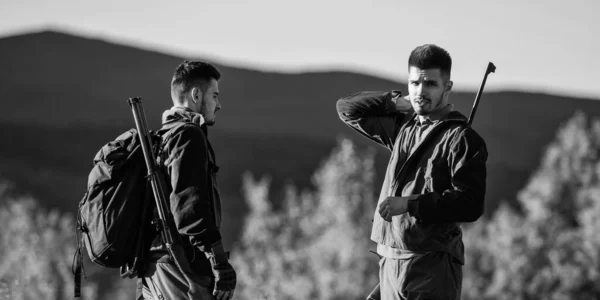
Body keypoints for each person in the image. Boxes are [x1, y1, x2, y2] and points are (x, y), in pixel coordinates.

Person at [336, 44, 487, 300]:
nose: (420, 91)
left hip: (431, 269)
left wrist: (410, 204)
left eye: (430, 84)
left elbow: (470, 204)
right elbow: (346, 109)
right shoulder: (403, 129)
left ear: (447, 87)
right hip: (390, 264)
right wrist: (395, 102)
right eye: (414, 83)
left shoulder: (461, 139)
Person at [138, 60, 236, 300]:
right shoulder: (188, 135)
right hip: (180, 268)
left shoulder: (163, 136)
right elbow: (189, 209)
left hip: (155, 268)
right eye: (214, 95)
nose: (219, 104)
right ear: (195, 94)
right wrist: (219, 261)